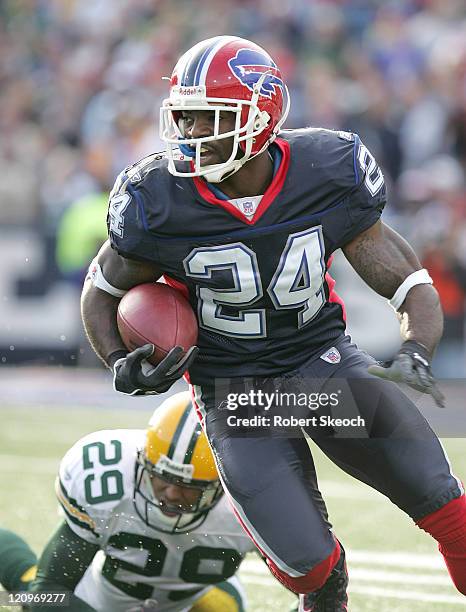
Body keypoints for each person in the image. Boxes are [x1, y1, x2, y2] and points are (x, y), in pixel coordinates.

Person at [80, 36, 466, 611]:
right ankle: (326, 591)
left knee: (446, 507)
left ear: (258, 118)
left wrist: (416, 348)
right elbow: (100, 291)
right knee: (305, 566)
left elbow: (406, 280)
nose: (189, 135)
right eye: (183, 117)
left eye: (207, 118)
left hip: (324, 369)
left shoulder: (327, 170)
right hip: (234, 394)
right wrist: (119, 362)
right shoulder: (157, 200)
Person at [24, 391, 253, 611]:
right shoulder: (109, 480)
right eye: (162, 476)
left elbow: (291, 582)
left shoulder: (252, 502)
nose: (172, 493)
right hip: (101, 600)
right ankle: (21, 572)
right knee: (32, 598)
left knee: (220, 607)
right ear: (143, 461)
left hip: (195, 596)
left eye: (188, 486)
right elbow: (49, 589)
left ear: (221, 483)